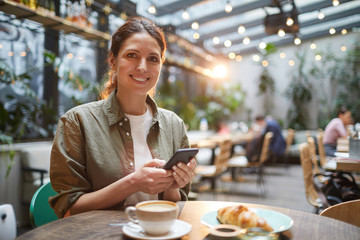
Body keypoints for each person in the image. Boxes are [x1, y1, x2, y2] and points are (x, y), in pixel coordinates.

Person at [49, 17, 196, 218]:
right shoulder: (77, 122)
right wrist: (133, 182)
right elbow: (68, 210)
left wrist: (173, 184)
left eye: (153, 58)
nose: (143, 67)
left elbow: (173, 205)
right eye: (132, 55)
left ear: (161, 64)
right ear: (113, 60)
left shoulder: (174, 125)